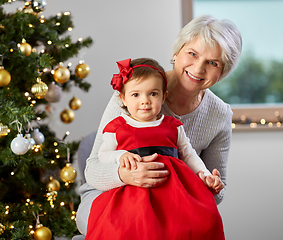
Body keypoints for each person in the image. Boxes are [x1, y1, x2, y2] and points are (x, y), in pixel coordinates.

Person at [73, 14, 242, 239]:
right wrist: (125, 175)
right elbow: (93, 169)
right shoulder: (135, 90)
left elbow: (217, 193)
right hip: (111, 190)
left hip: (172, 200)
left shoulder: (219, 115)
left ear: (223, 72)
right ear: (176, 53)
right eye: (192, 53)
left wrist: (209, 184)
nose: (199, 68)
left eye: (213, 63)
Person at [84, 58, 225, 239]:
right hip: (135, 189)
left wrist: (205, 175)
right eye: (136, 95)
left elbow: (188, 155)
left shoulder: (173, 125)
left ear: (163, 96)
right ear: (123, 98)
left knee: (201, 220)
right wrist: (121, 156)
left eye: (153, 94)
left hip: (173, 191)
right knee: (132, 225)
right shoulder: (117, 126)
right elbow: (103, 155)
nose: (145, 101)